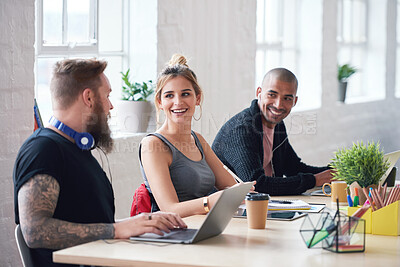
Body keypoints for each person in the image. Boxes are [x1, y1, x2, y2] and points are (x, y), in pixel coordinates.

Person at [13, 58, 186, 267]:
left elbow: (89, 225)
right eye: (107, 95)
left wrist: (141, 223)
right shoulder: (43, 150)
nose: (110, 106)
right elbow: (35, 231)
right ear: (88, 98)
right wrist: (116, 229)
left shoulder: (77, 148)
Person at [140, 54, 246, 218]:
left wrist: (241, 191)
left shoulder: (197, 139)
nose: (178, 102)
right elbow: (170, 209)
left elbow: (230, 186)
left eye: (185, 94)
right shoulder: (153, 145)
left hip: (204, 227)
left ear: (197, 98)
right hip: (174, 234)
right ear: (159, 102)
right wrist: (210, 201)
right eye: (169, 95)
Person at [212, 68, 333, 196]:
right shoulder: (242, 129)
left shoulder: (277, 124)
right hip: (230, 208)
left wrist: (338, 171)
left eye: (287, 98)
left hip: (261, 204)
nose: (278, 105)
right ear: (259, 92)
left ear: (294, 101)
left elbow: (294, 168)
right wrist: (314, 181)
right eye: (272, 95)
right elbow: (256, 184)